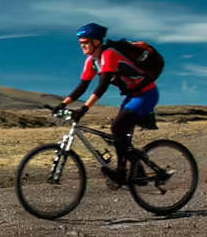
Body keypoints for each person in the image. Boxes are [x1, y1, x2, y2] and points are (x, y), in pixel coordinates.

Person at [51, 22, 160, 187]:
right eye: (80, 43)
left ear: (96, 42)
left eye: (85, 42)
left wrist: (84, 108)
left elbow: (102, 87)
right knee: (120, 137)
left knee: (117, 129)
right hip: (132, 96)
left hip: (147, 94)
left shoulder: (109, 55)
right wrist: (63, 103)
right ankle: (131, 174)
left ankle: (132, 171)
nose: (82, 46)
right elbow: (82, 87)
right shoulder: (91, 61)